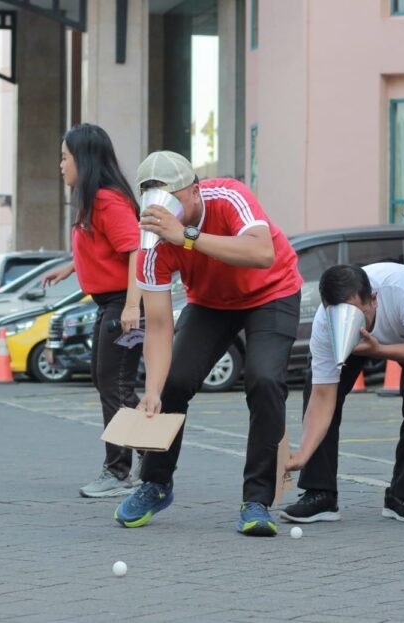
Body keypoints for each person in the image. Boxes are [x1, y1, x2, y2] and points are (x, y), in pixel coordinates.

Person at [113, 150, 302, 537]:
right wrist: (151, 390)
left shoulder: (229, 196)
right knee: (172, 384)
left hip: (271, 292)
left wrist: (186, 236)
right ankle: (156, 483)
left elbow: (262, 253)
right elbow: (160, 326)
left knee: (264, 381)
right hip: (211, 303)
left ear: (195, 192)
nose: (163, 212)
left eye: (172, 200)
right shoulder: (151, 244)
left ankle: (257, 501)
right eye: (152, 202)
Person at [280, 263, 404, 524]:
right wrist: (303, 452)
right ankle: (320, 493)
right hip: (363, 346)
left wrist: (379, 351)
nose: (350, 323)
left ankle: (403, 496)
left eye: (356, 314)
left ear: (374, 300)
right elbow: (324, 396)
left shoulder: (402, 287)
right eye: (338, 316)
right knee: (316, 385)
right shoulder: (326, 323)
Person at [41, 123, 143, 498]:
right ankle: (151, 451)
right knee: (112, 384)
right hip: (112, 303)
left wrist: (132, 305)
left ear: (82, 159)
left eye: (65, 157)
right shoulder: (94, 199)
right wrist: (71, 266)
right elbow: (105, 247)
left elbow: (135, 251)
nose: (61, 165)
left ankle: (119, 472)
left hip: (123, 305)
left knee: (114, 385)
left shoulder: (106, 199)